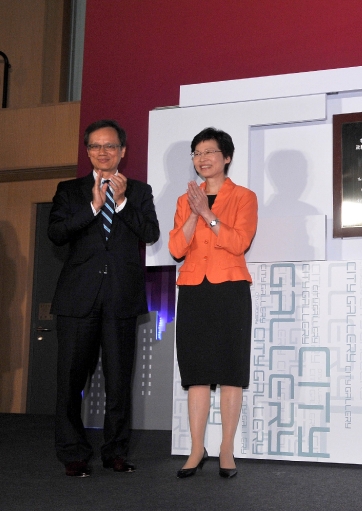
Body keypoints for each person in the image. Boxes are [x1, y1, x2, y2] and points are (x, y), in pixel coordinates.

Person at [49, 119, 160, 477]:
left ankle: (115, 451)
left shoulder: (139, 192)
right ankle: (73, 453)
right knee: (70, 383)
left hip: (121, 300)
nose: (103, 152)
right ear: (88, 151)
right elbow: (56, 233)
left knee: (119, 383)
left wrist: (122, 201)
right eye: (96, 146)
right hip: (77, 301)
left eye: (110, 146)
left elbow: (151, 232)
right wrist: (94, 207)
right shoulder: (69, 190)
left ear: (123, 151)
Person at [168, 127, 257, 479]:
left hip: (230, 290)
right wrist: (193, 212)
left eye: (209, 152)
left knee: (231, 372)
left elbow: (239, 243)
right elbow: (176, 249)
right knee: (197, 375)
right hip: (194, 291)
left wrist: (208, 213)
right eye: (196, 153)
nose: (202, 159)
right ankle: (195, 449)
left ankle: (226, 449)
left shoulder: (244, 196)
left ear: (227, 157)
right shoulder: (183, 200)